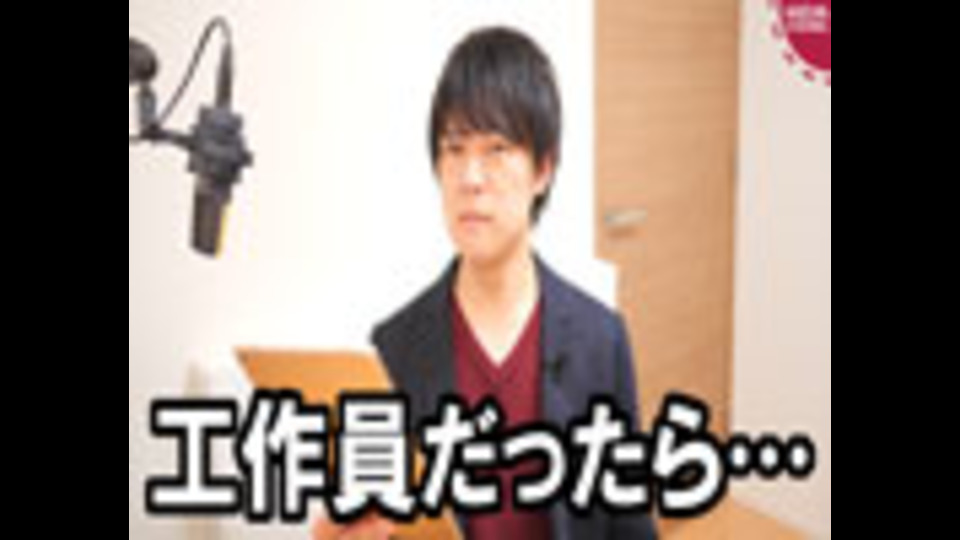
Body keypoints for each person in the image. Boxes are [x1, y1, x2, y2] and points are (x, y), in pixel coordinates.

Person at [314, 26, 657, 540]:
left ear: (543, 169)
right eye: (454, 149)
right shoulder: (394, 348)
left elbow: (630, 526)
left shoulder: (601, 340)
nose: (470, 178)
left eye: (496, 149)